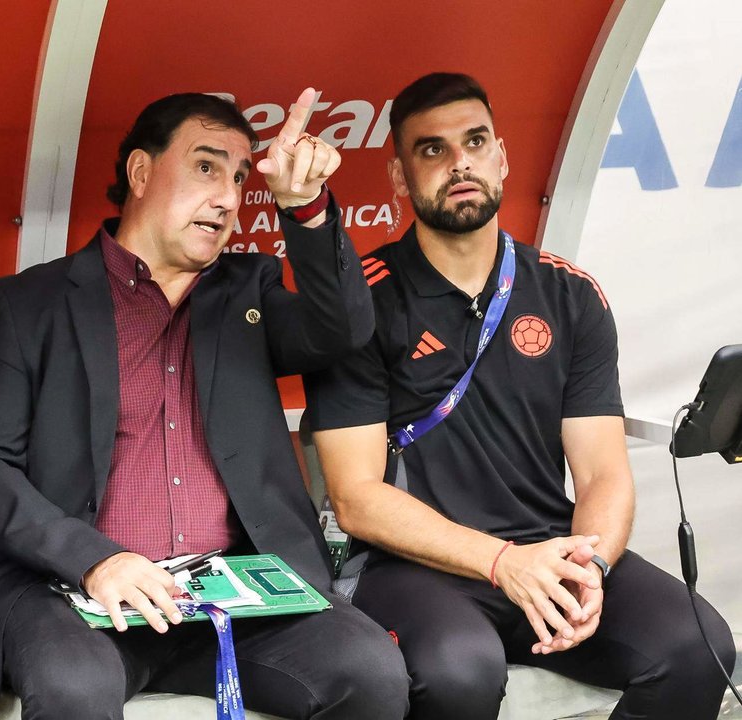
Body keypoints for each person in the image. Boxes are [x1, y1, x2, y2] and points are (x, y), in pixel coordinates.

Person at [0, 89, 409, 719]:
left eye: (240, 177)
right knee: (74, 690)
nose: (227, 197)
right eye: (205, 166)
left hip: (237, 596)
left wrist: (304, 208)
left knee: (372, 670)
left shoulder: (249, 289)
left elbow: (342, 330)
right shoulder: (32, 303)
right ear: (140, 172)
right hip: (78, 595)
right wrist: (96, 560)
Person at [304, 72, 735, 720]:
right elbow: (355, 499)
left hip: (548, 550)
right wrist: (502, 563)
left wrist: (587, 566)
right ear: (399, 177)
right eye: (432, 150)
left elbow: (601, 475)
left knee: (694, 647)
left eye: (475, 142)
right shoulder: (361, 304)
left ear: (501, 157)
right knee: (459, 670)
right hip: (413, 567)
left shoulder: (570, 294)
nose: (460, 164)